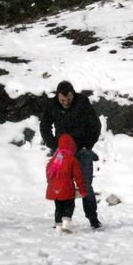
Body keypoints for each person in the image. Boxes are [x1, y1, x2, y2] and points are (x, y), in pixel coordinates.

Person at [39, 81, 102, 229]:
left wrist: (88, 145)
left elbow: (95, 125)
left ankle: (93, 219)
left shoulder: (82, 102)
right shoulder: (52, 105)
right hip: (62, 152)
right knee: (60, 183)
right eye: (62, 100)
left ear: (73, 94)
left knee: (86, 185)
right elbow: (44, 126)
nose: (66, 103)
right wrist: (54, 146)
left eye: (68, 99)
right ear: (57, 96)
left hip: (82, 150)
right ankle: (61, 220)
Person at [46, 134, 88, 233]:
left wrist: (51, 184)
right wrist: (82, 190)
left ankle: (58, 228)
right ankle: (66, 225)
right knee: (69, 206)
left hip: (54, 189)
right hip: (67, 188)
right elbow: (78, 177)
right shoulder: (72, 159)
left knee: (58, 207)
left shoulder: (54, 158)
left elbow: (48, 173)